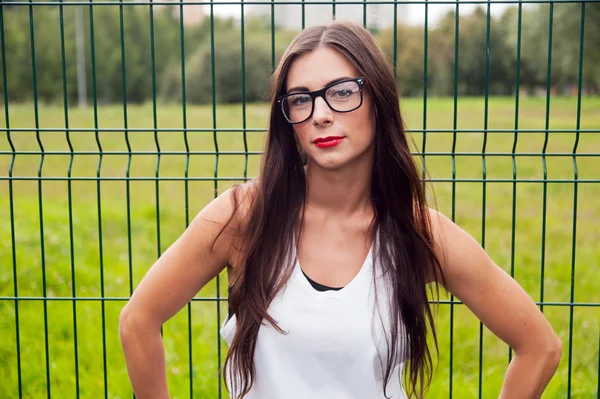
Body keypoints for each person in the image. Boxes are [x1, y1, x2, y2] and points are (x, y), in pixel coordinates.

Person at [119, 21, 562, 399]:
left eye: (342, 92)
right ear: (286, 118)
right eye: (300, 99)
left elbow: (539, 346)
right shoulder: (242, 216)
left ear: (378, 100)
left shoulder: (419, 233)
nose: (321, 114)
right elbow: (138, 319)